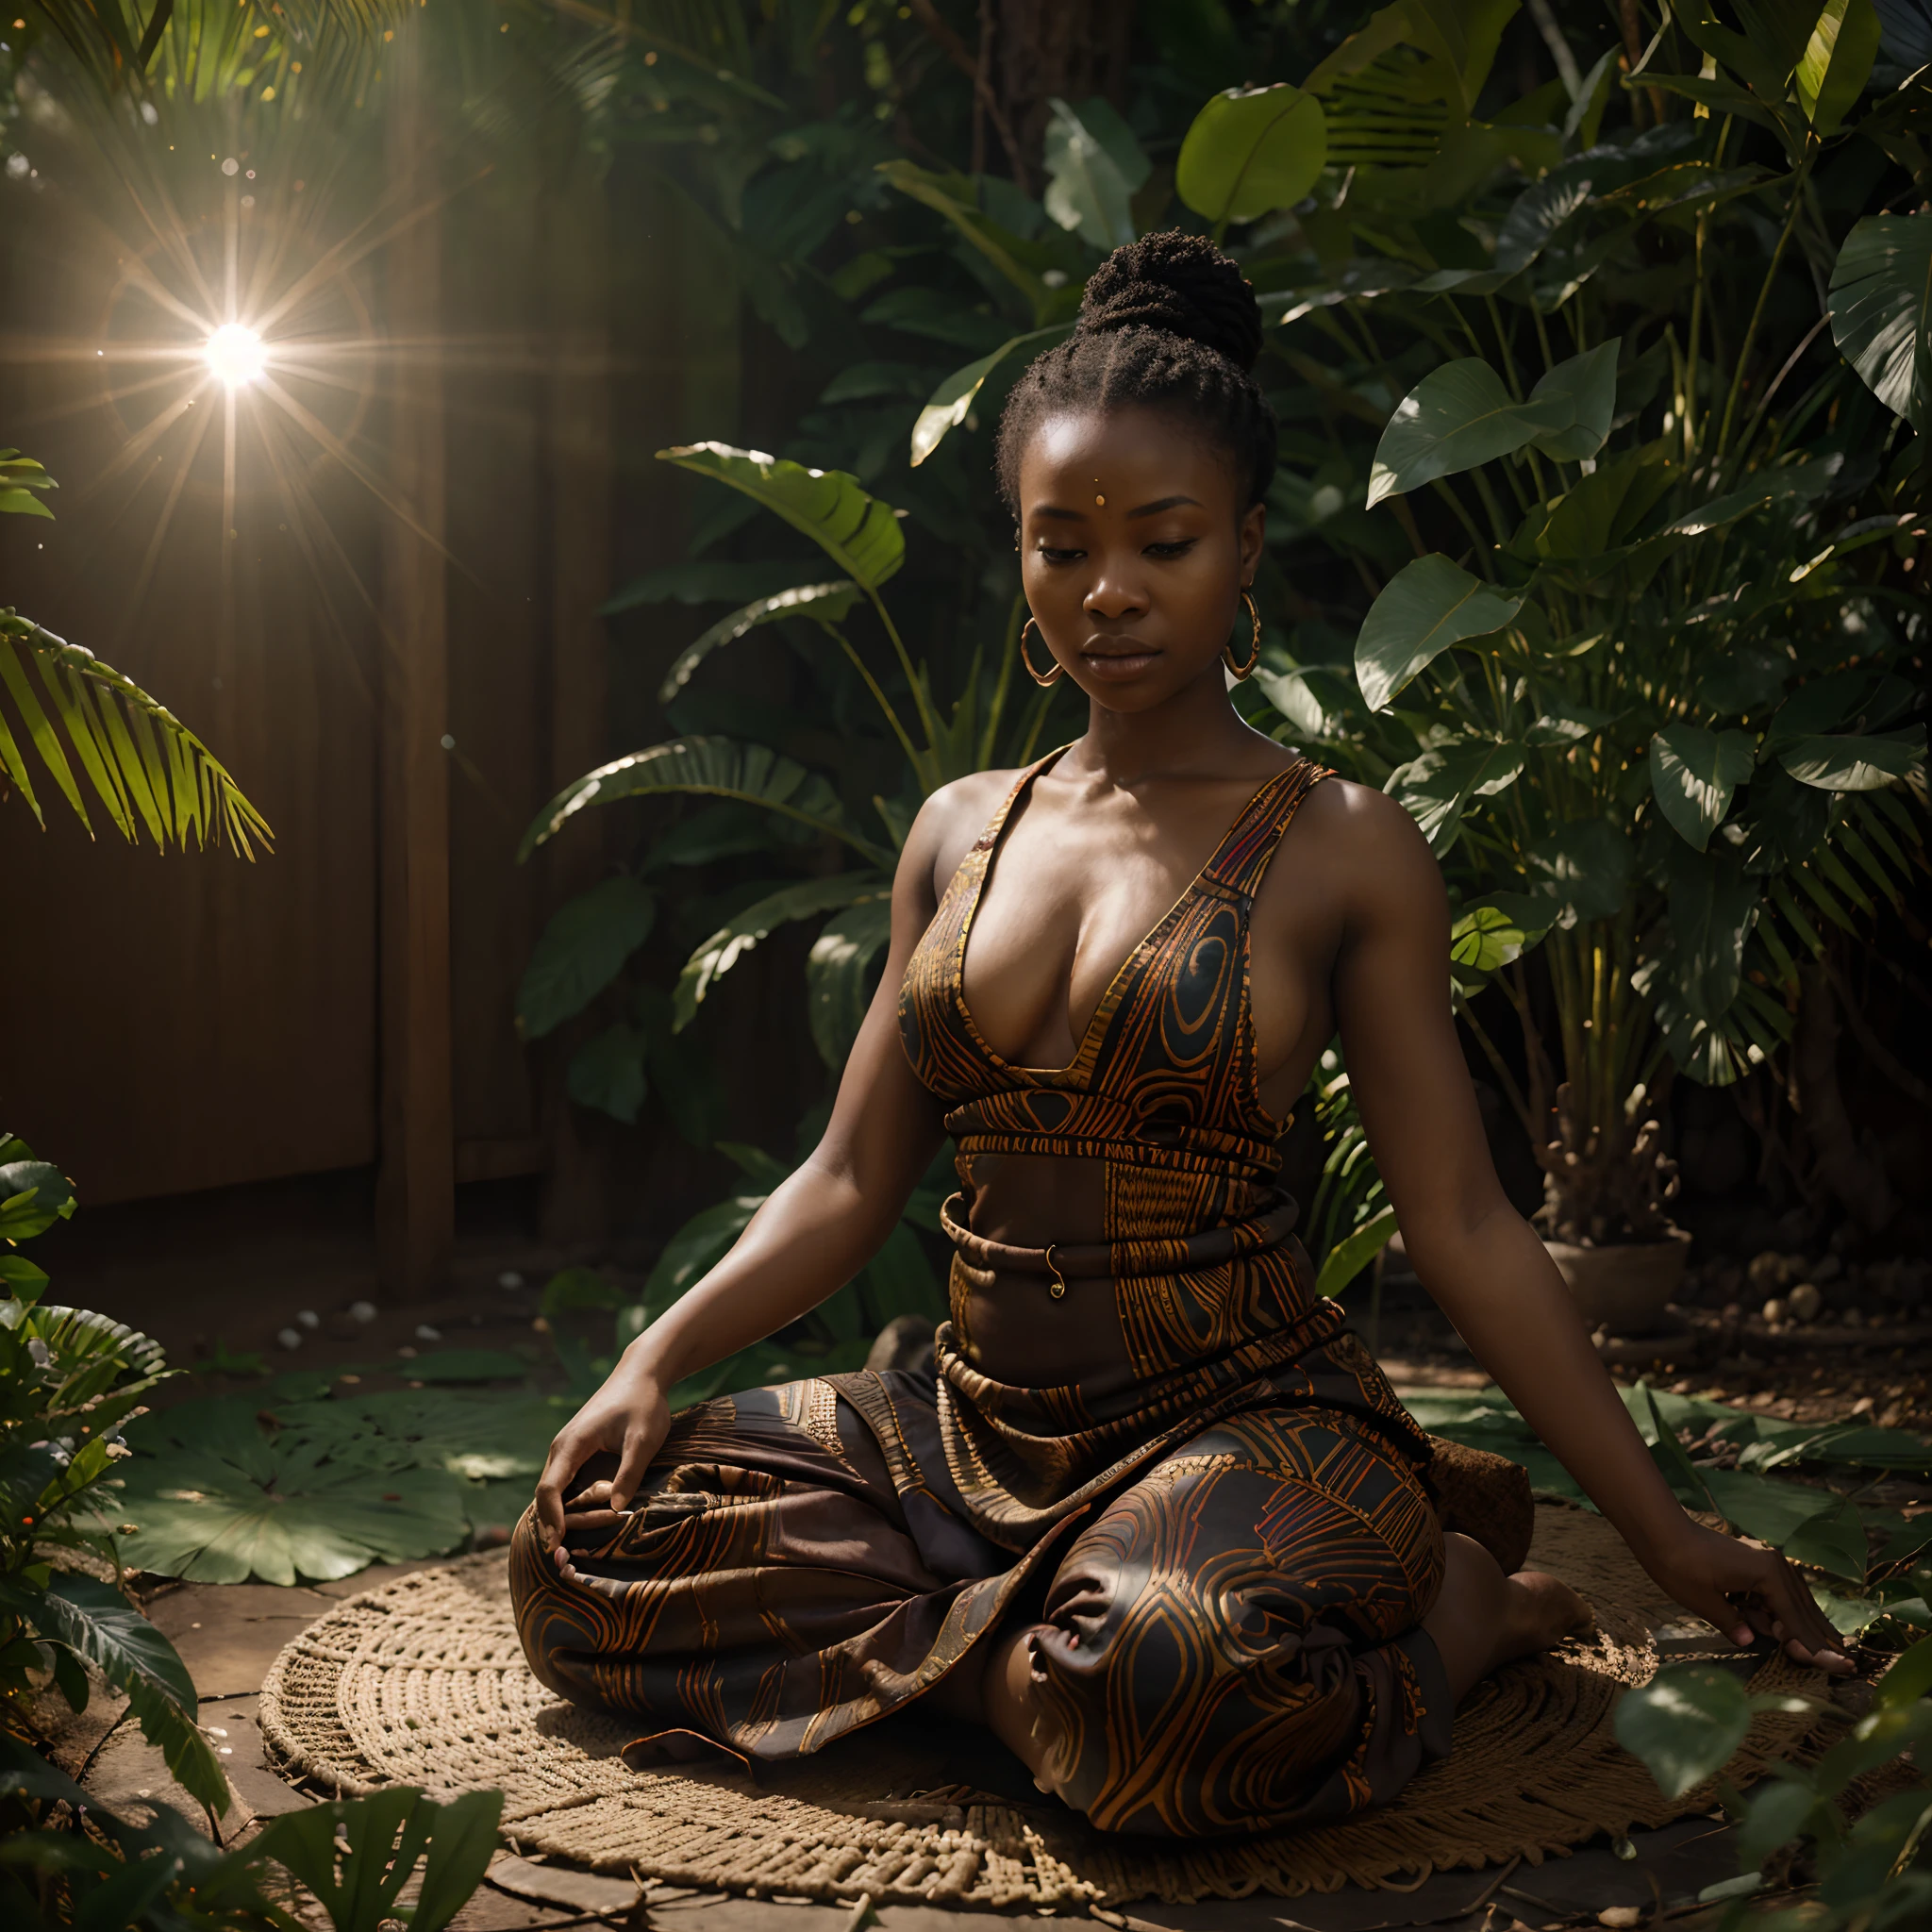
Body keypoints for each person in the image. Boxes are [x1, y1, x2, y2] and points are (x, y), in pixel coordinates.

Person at [510, 232, 1850, 1840]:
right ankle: (1032, 1664)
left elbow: (1469, 1223)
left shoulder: (1341, 843)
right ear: (1016, 559)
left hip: (1239, 1426)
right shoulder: (959, 827)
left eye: (1163, 540)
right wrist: (652, 1358)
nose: (1108, 590)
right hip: (963, 1422)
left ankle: (1465, 1608)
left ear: (1247, 550)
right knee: (580, 1552)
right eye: (1058, 545)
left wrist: (1671, 1530)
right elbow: (852, 1176)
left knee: (1169, 1675)